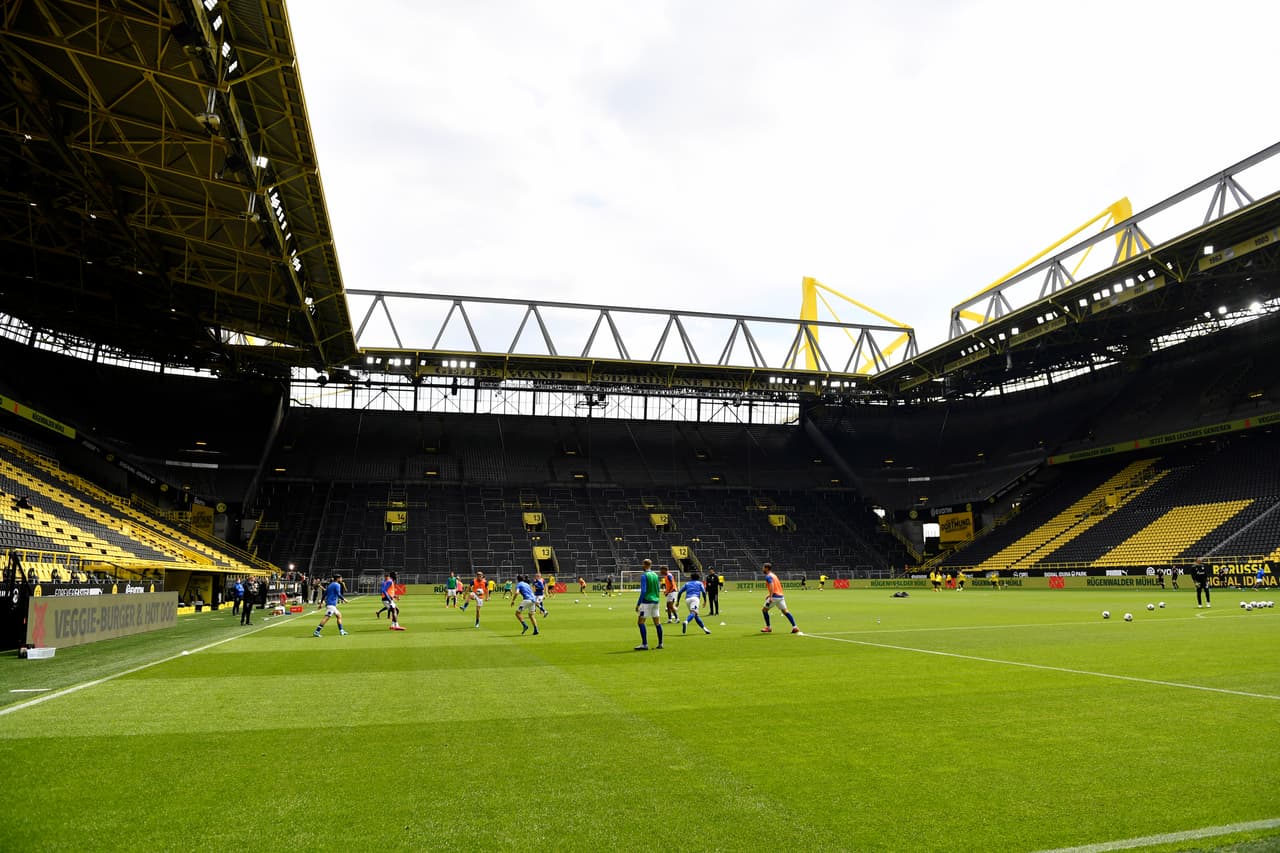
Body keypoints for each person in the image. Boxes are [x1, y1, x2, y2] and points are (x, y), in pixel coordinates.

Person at [760, 562, 799, 634]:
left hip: (774, 597)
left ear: (766, 568)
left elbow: (772, 585)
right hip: (780, 596)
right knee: (785, 612)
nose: (762, 569)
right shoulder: (774, 575)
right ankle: (795, 627)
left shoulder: (768, 576)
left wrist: (771, 596)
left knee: (764, 610)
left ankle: (768, 627)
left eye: (763, 568)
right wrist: (769, 594)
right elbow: (777, 586)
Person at [634, 559, 664, 650]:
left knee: (640, 622)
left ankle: (644, 644)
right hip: (656, 601)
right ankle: (660, 643)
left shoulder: (644, 575)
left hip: (646, 601)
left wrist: (638, 604)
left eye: (643, 564)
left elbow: (643, 591)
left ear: (645, 565)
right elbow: (658, 589)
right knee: (657, 623)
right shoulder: (655, 575)